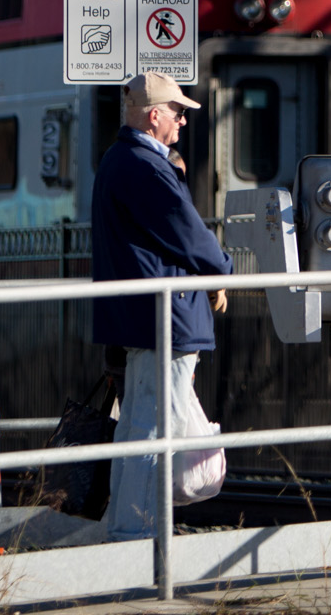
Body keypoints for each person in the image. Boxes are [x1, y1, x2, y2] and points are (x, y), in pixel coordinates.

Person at [90, 71, 230, 540]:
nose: (182, 122)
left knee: (138, 426)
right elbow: (189, 234)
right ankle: (138, 535)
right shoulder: (145, 167)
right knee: (155, 427)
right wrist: (220, 271)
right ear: (154, 116)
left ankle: (127, 526)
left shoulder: (118, 160)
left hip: (141, 316)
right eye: (177, 112)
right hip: (163, 317)